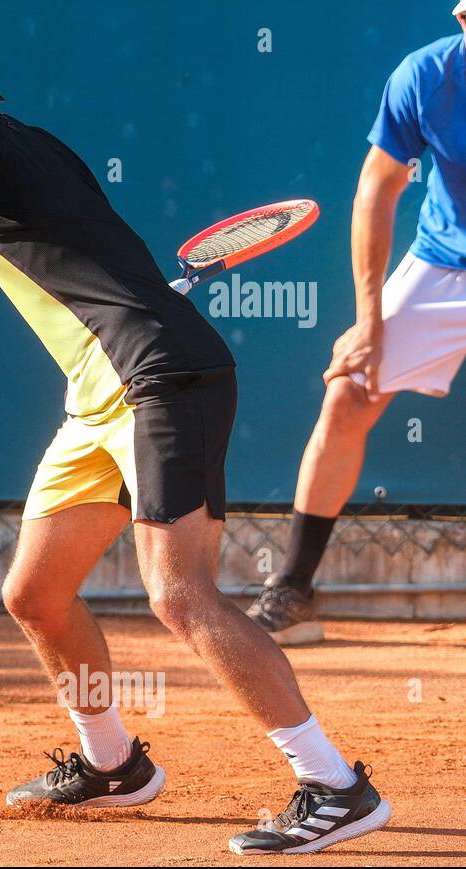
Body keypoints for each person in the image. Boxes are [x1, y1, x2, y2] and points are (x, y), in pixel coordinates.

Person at [0, 15, 391, 854]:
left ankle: (335, 784)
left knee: (180, 596)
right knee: (35, 594)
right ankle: (114, 765)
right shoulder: (38, 147)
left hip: (160, 377)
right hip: (99, 396)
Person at [247, 3, 466, 647]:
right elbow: (377, 188)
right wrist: (368, 320)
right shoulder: (426, 76)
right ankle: (293, 588)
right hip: (444, 264)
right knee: (348, 393)